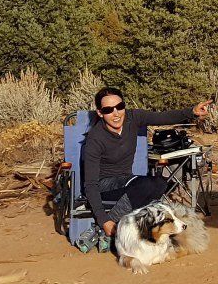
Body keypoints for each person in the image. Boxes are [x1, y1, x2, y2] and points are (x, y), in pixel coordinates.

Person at [81, 87, 209, 240]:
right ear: (100, 113)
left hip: (127, 181)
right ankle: (108, 227)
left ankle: (135, 228)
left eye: (120, 107)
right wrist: (103, 220)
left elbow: (162, 118)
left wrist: (191, 112)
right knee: (147, 185)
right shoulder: (95, 139)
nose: (116, 114)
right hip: (105, 186)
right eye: (108, 110)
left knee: (160, 183)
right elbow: (90, 184)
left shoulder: (133, 117)